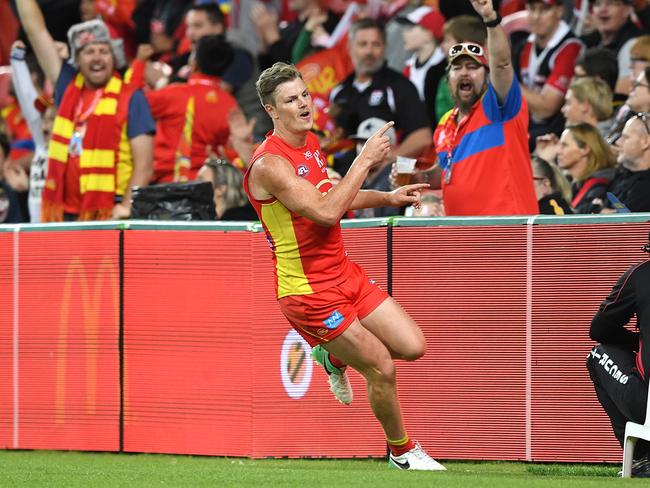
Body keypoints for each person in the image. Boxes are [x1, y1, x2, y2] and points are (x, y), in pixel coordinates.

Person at [244, 61, 443, 471]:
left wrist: (386, 199)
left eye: (303, 95)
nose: (303, 104)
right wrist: (365, 159)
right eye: (290, 100)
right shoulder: (269, 164)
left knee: (413, 346)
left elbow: (334, 194)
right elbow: (325, 211)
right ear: (271, 111)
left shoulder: (311, 142)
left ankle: (333, 359)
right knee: (381, 366)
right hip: (308, 292)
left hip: (344, 272)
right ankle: (402, 451)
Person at [16, 0, 155, 221]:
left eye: (104, 51)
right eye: (89, 51)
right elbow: (36, 31)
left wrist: (127, 207)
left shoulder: (132, 97)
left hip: (110, 210)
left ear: (115, 57)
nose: (97, 57)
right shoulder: (68, 87)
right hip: (65, 212)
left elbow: (145, 165)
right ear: (77, 60)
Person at [427, 0, 538, 216]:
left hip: (508, 235)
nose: (464, 73)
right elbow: (444, 173)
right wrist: (416, 177)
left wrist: (490, 19)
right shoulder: (445, 124)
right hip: (465, 239)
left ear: (488, 76)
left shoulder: (500, 108)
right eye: (457, 68)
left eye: (473, 67)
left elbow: (502, 64)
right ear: (448, 79)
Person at [586, 230, 650, 478]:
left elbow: (599, 329)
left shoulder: (641, 275)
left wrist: (637, 340)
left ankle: (641, 458)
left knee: (598, 356)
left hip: (646, 404)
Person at [329, 18, 432, 159]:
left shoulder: (399, 86)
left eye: (376, 44)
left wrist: (388, 161)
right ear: (349, 47)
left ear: (385, 47)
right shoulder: (339, 91)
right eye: (363, 44)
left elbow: (423, 137)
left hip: (382, 174)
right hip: (342, 170)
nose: (369, 51)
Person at [145, 35, 241, 183]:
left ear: (194, 63)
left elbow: (131, 108)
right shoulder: (231, 105)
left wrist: (139, 66)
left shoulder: (173, 94)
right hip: (209, 186)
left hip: (168, 184)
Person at [516, 0, 583, 146]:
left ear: (559, 10)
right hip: (527, 127)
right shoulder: (524, 44)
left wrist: (507, 82)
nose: (536, 16)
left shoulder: (570, 48)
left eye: (544, 9)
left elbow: (547, 108)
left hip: (553, 134)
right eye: (532, 8)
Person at [399, 6, 447, 128]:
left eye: (411, 28)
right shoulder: (408, 68)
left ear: (428, 34)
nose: (404, 33)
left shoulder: (446, 67)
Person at [556, 123, 616, 213]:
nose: (558, 151)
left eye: (564, 145)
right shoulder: (572, 183)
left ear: (585, 149)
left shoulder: (601, 185)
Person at [601, 113, 650, 212]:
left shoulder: (646, 188)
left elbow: (624, 223)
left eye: (625, 137)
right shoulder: (620, 177)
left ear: (645, 142)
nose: (618, 142)